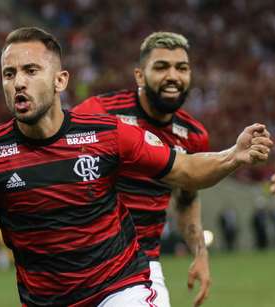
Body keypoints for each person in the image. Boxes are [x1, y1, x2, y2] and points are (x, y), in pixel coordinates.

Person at [0, 27, 273, 307]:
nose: (19, 81)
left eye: (31, 70)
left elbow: (186, 173)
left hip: (122, 288)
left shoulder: (107, 134)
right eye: (9, 73)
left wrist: (232, 155)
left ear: (60, 81)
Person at [73, 32, 211, 306]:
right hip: (81, 263)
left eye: (181, 68)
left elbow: (186, 200)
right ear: (139, 75)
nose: (173, 76)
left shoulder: (194, 136)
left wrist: (200, 253)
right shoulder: (98, 113)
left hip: (141, 263)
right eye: (161, 67)